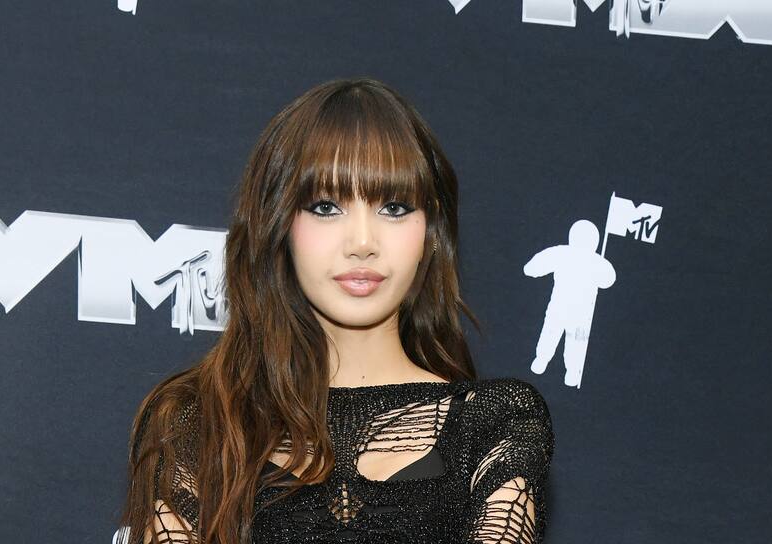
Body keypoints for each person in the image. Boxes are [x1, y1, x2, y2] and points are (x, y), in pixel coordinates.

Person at [114, 77, 555, 544]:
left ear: (431, 232)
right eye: (326, 207)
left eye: (394, 207)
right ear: (278, 225)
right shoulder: (194, 420)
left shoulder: (496, 424)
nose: (362, 242)